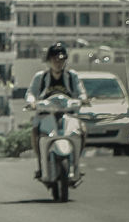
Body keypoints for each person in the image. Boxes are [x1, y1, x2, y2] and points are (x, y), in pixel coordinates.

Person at [26, 42, 88, 184]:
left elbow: (81, 92)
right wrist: (32, 102)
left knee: (82, 130)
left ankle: (76, 163)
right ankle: (41, 165)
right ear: (48, 61)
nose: (58, 63)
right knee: (36, 132)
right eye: (55, 60)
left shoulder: (72, 76)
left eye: (61, 60)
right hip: (45, 115)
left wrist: (83, 100)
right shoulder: (40, 77)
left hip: (69, 114)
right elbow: (31, 93)